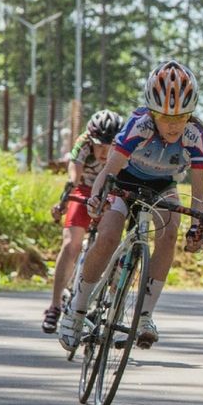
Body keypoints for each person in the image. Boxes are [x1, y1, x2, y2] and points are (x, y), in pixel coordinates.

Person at [58, 60, 203, 352]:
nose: (173, 125)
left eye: (181, 117)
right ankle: (77, 309)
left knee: (170, 231)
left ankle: (144, 315)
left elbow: (199, 192)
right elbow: (109, 170)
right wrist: (96, 198)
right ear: (152, 113)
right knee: (108, 235)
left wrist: (198, 226)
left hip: (163, 185)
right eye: (164, 117)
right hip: (125, 181)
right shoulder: (139, 125)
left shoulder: (196, 136)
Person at [41, 110, 123, 334]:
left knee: (112, 245)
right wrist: (63, 202)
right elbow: (73, 178)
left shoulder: (125, 146)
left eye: (109, 146)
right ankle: (55, 306)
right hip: (85, 189)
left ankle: (107, 304)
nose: (104, 152)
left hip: (110, 192)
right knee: (71, 244)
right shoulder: (83, 143)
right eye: (99, 146)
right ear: (91, 140)